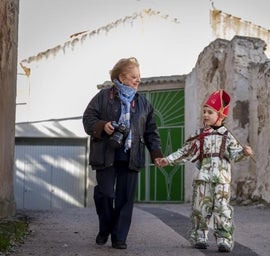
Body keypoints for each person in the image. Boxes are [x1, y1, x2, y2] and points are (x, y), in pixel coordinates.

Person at [156, 89, 253, 253]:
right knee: (200, 209)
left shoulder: (228, 136)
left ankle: (224, 239)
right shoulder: (199, 135)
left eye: (210, 112)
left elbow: (235, 154)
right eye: (204, 112)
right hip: (202, 178)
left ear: (221, 116)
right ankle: (199, 236)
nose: (205, 115)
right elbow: (185, 151)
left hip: (221, 180)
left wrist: (244, 153)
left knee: (222, 209)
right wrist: (168, 159)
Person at [82, 57, 163, 250]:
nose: (138, 80)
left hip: (131, 155)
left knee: (125, 199)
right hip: (105, 153)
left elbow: (151, 131)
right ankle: (105, 228)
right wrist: (104, 126)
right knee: (105, 194)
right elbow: (87, 119)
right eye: (134, 77)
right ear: (122, 77)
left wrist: (156, 153)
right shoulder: (103, 96)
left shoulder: (143, 103)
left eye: (139, 77)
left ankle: (119, 238)